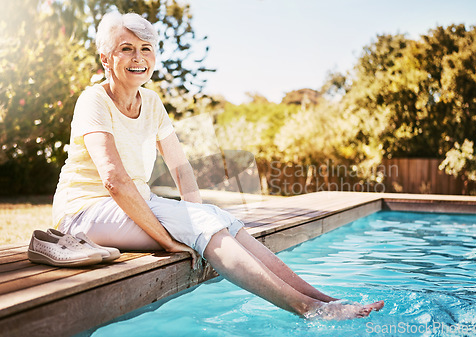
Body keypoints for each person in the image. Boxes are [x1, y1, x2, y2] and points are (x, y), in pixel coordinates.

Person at [52, 11, 384, 320]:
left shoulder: (151, 102)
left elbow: (181, 166)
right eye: (126, 49)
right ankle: (307, 308)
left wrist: (198, 219)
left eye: (146, 48)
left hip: (134, 205)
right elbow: (114, 180)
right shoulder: (93, 100)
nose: (138, 57)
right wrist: (174, 239)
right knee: (202, 222)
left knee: (222, 218)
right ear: (106, 59)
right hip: (85, 213)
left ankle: (325, 300)